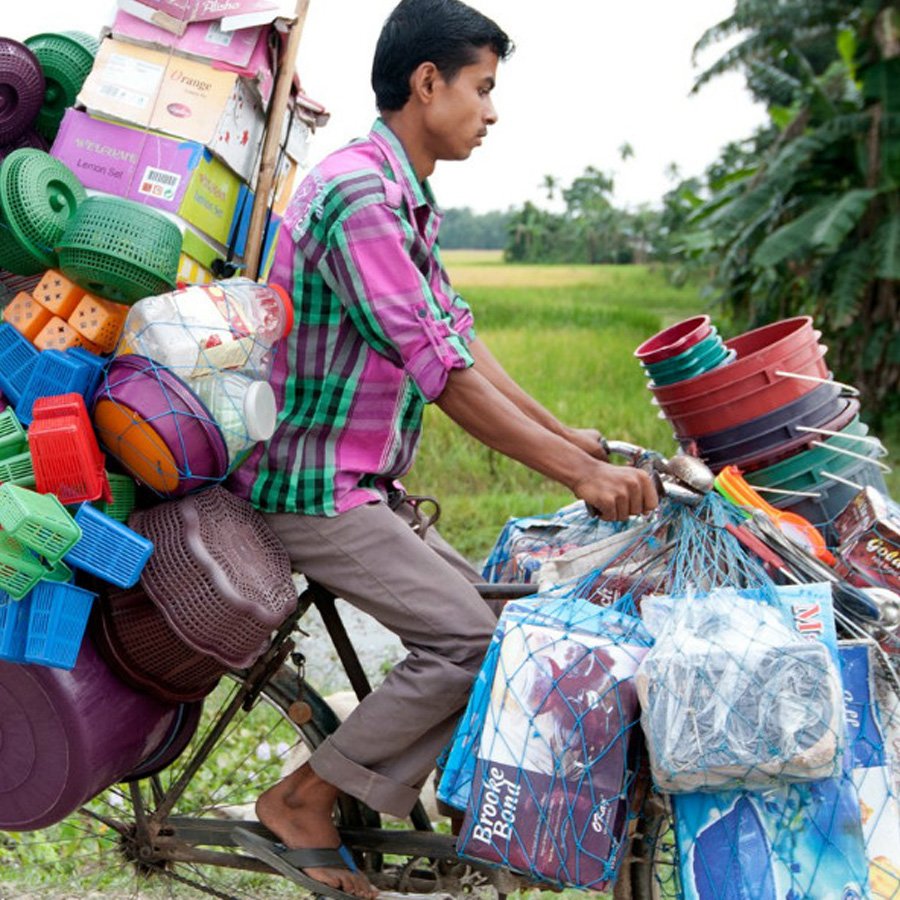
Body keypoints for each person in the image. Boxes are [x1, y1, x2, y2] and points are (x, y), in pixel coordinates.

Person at [229, 0, 658, 895]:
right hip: (308, 489)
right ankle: (300, 800)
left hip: (362, 484)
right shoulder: (357, 194)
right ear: (427, 84)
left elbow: (459, 338)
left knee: (509, 629)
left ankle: (389, 788)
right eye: (483, 88)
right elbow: (442, 375)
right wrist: (578, 473)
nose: (492, 112)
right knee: (471, 642)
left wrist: (567, 433)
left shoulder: (403, 196)